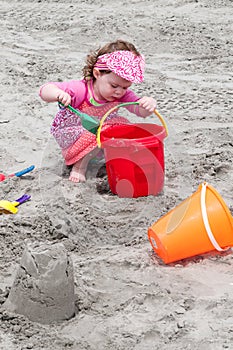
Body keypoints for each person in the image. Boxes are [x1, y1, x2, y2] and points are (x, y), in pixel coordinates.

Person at [39, 39, 157, 183]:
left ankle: (107, 160)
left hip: (99, 136)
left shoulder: (122, 95)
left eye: (125, 87)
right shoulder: (81, 89)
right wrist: (58, 94)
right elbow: (45, 89)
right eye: (114, 85)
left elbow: (140, 111)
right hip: (73, 134)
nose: (119, 92)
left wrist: (148, 105)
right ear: (97, 73)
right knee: (103, 129)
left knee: (122, 126)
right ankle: (79, 167)